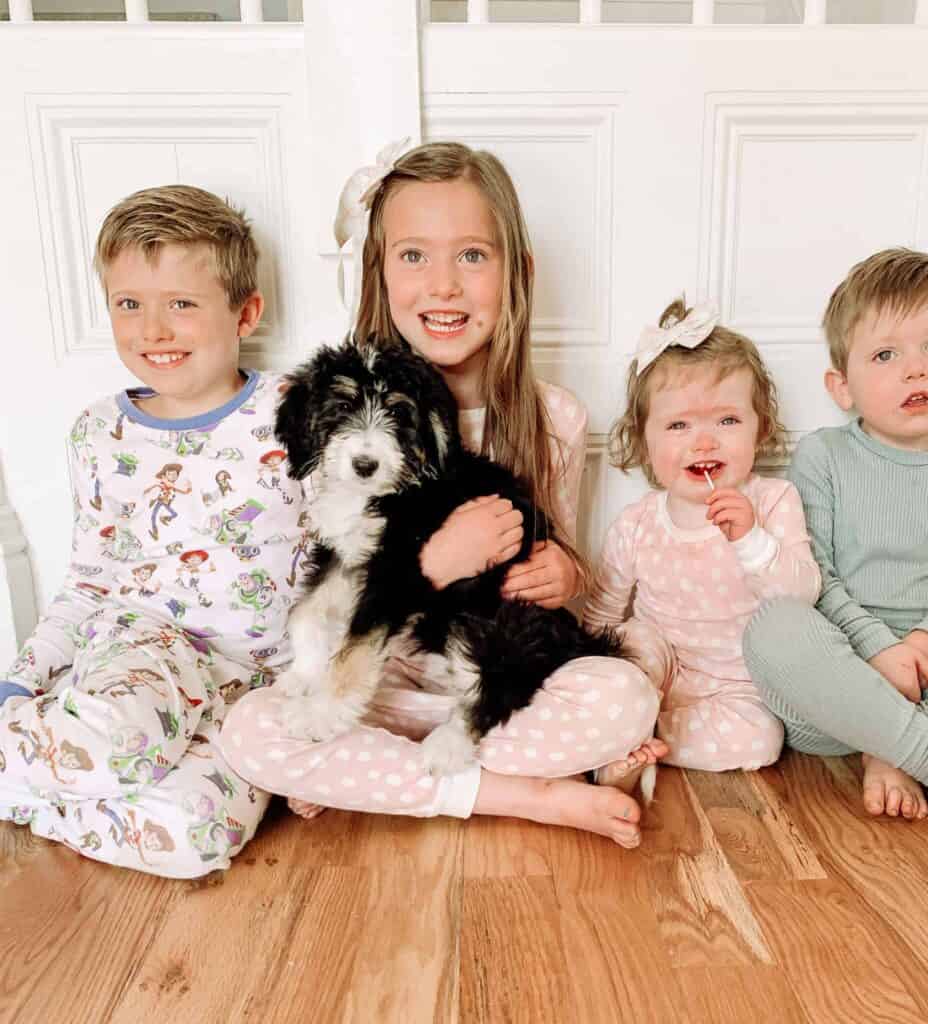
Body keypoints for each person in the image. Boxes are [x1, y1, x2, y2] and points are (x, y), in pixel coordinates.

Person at [221, 141, 672, 849]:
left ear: (517, 274)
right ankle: (527, 796)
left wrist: (566, 575)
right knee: (247, 732)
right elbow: (332, 579)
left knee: (627, 691)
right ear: (379, 272)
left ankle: (378, 782)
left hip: (493, 676)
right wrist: (434, 563)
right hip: (380, 678)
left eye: (471, 256)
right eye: (413, 257)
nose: (443, 286)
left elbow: (556, 575)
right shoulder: (341, 410)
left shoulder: (553, 418)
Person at [0, 185, 307, 877]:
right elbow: (88, 583)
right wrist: (19, 683)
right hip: (143, 655)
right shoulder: (99, 433)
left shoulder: (296, 414)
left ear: (246, 313)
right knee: (119, 743)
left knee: (200, 838)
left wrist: (312, 704)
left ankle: (31, 786)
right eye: (129, 304)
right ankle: (50, 748)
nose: (153, 330)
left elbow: (340, 562)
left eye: (183, 304)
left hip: (248, 687)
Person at [742, 247, 928, 856]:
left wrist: (922, 645)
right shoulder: (823, 456)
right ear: (842, 386)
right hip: (833, 690)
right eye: (885, 354)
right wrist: (879, 651)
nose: (915, 370)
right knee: (774, 626)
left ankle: (889, 744)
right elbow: (818, 576)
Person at [584, 298, 820, 773]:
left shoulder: (774, 500)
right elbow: (602, 617)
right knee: (630, 645)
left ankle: (640, 740)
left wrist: (752, 537)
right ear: (644, 441)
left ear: (762, 429)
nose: (704, 441)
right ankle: (621, 723)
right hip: (658, 664)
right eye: (678, 425)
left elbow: (804, 594)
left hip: (737, 685)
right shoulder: (637, 524)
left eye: (728, 420)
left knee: (762, 741)